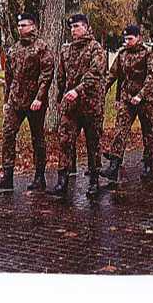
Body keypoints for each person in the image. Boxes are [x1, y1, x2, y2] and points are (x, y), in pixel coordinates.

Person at [0, 12, 54, 192]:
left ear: (33, 26)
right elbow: (8, 77)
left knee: (37, 138)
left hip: (34, 102)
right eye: (19, 26)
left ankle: (39, 176)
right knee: (8, 134)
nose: (21, 28)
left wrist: (40, 98)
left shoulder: (41, 47)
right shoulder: (14, 49)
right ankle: (7, 177)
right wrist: (6, 100)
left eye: (24, 25)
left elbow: (47, 74)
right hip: (15, 101)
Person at [51, 13, 108, 200]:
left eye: (77, 26)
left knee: (93, 142)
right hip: (71, 106)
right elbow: (61, 76)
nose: (73, 30)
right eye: (71, 27)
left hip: (91, 104)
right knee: (65, 140)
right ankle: (62, 180)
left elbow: (95, 73)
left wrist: (78, 90)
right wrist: (60, 98)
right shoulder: (66, 50)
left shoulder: (96, 48)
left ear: (86, 27)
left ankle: (94, 180)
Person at [101, 22, 153, 185]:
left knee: (148, 132)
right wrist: (101, 92)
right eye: (125, 38)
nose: (127, 41)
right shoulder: (122, 54)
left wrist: (141, 95)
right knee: (120, 130)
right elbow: (112, 75)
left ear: (138, 37)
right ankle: (114, 166)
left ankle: (148, 163)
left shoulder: (148, 54)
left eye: (130, 38)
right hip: (127, 99)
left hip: (145, 100)